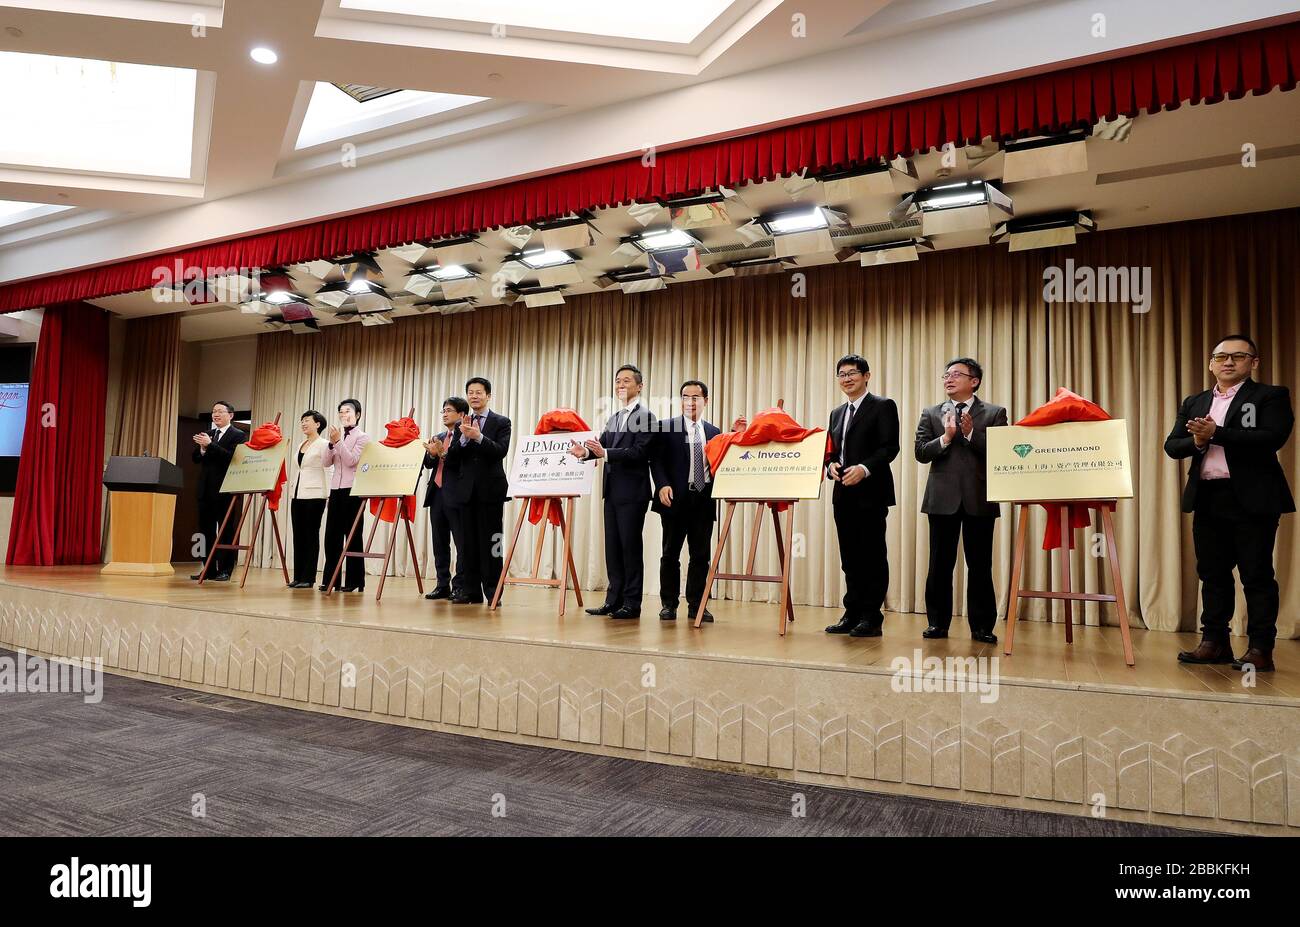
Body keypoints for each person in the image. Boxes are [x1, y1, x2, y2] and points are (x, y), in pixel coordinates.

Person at [1164, 334, 1294, 673]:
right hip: (1208, 497)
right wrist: (1197, 441)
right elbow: (1172, 446)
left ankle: (1260, 648)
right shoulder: (1195, 401)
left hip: (1253, 499)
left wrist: (1216, 433)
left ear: (1254, 362)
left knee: (1256, 575)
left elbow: (1272, 438)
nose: (1228, 362)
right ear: (1211, 363)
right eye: (1221, 356)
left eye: (1238, 356)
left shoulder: (1270, 396)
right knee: (1212, 574)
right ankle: (1214, 642)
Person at [914, 358, 1008, 644]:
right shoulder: (931, 413)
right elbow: (920, 452)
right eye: (946, 375)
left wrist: (969, 434)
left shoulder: (994, 413)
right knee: (939, 564)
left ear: (974, 381)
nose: (949, 379)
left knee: (979, 566)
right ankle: (937, 624)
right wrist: (945, 438)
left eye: (956, 374)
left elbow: (1001, 452)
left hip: (979, 499)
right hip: (941, 500)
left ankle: (982, 627)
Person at [572, 364, 656, 619]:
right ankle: (613, 599)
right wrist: (585, 453)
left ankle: (632, 603)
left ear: (639, 386)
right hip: (612, 492)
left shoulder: (646, 417)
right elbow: (602, 447)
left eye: (627, 381)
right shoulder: (614, 417)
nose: (620, 385)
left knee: (630, 548)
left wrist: (604, 453)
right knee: (613, 548)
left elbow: (640, 453)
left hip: (633, 493)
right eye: (618, 381)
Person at [824, 354, 900, 637]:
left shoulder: (883, 406)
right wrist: (829, 463)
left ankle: (871, 616)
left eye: (852, 373)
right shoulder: (836, 413)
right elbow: (832, 450)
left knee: (872, 555)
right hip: (842, 494)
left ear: (866, 376)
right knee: (849, 556)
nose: (847, 378)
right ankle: (852, 611)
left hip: (871, 492)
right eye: (841, 374)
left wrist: (864, 469)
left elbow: (889, 448)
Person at [651, 380, 721, 622]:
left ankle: (696, 605)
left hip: (703, 500)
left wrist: (736, 435)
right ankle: (668, 604)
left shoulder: (714, 432)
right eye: (685, 396)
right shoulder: (666, 427)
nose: (690, 401)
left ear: (706, 401)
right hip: (675, 500)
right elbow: (656, 461)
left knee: (700, 556)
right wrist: (662, 484)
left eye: (696, 397)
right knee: (670, 554)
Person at [443, 377, 511, 605]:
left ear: (488, 395)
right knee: (467, 544)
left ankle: (494, 592)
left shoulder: (501, 422)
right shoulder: (463, 422)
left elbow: (500, 451)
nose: (474, 396)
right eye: (470, 392)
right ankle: (470, 591)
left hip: (491, 491)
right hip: (465, 493)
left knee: (493, 543)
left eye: (478, 392)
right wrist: (462, 440)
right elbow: (452, 459)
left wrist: (478, 437)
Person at [190, 400, 247, 581]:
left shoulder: (238, 435)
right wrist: (202, 448)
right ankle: (208, 568)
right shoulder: (208, 433)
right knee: (204, 530)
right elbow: (195, 458)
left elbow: (233, 458)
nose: (215, 415)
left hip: (225, 490)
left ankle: (224, 570)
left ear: (230, 415)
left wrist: (211, 445)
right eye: (213, 411)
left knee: (226, 530)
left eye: (220, 411)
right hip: (205, 490)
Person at [320, 399, 371, 592]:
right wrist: (332, 444)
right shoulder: (336, 436)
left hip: (353, 491)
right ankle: (330, 579)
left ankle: (354, 581)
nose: (343, 415)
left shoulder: (363, 437)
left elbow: (352, 461)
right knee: (331, 535)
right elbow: (326, 462)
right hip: (335, 490)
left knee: (353, 535)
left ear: (357, 414)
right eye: (341, 412)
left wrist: (338, 442)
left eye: (347, 411)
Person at [422, 397, 469, 600]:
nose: (444, 414)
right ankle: (442, 584)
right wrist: (432, 455)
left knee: (461, 543)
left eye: (449, 410)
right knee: (439, 542)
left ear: (461, 415)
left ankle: (460, 585)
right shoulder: (439, 435)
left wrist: (442, 454)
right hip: (437, 494)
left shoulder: (465, 435)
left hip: (457, 495)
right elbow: (428, 463)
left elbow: (462, 463)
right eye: (443, 410)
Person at [288, 411, 331, 589]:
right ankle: (298, 576)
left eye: (307, 421)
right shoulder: (301, 444)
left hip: (315, 495)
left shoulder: (324, 444)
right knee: (298, 535)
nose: (303, 424)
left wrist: (328, 494)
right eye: (302, 421)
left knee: (310, 535)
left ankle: (308, 577)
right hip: (297, 494)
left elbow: (328, 470)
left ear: (318, 424)